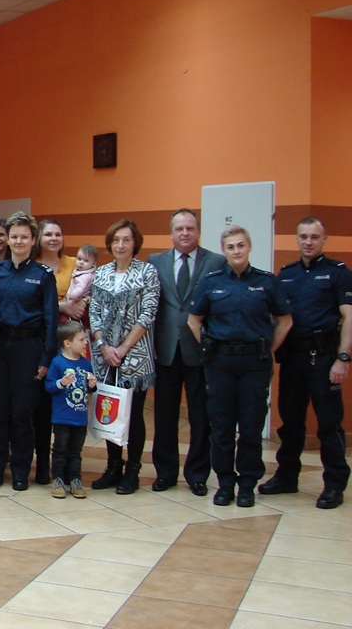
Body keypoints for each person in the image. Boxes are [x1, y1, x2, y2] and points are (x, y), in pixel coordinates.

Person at [189, 225, 292, 508]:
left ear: (249, 247)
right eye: (230, 246)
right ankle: (225, 483)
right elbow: (194, 320)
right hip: (220, 362)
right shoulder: (212, 282)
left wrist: (268, 349)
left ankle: (247, 484)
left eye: (240, 245)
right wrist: (208, 346)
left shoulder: (266, 282)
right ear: (223, 251)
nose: (236, 251)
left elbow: (285, 320)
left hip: (254, 363)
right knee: (221, 427)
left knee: (250, 426)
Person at [260, 217, 351, 509]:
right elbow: (276, 317)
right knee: (290, 421)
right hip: (292, 358)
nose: (308, 242)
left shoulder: (338, 273)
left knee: (328, 423)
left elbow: (349, 316)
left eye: (314, 237)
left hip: (323, 357)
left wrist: (343, 358)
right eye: (303, 236)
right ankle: (287, 477)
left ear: (324, 240)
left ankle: (334, 484)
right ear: (297, 239)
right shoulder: (286, 274)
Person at [148, 209, 225, 497]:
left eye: (190, 228)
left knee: (200, 417)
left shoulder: (216, 261)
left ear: (198, 231)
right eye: (179, 228)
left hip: (200, 350)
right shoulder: (156, 261)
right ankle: (165, 473)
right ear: (171, 233)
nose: (184, 233)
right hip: (165, 349)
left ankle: (197, 475)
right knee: (164, 415)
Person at [0, 211, 58, 491]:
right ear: (7, 240)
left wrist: (46, 357)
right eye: (14, 236)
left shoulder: (42, 275)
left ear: (33, 240)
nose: (19, 241)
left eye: (24, 237)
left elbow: (50, 319)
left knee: (22, 413)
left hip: (28, 348)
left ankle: (21, 470)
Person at [89, 220, 160, 495]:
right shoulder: (102, 273)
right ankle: (113, 467)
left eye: (126, 240)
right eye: (116, 240)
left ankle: (133, 470)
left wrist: (124, 348)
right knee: (110, 409)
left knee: (133, 415)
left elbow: (148, 313)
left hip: (134, 356)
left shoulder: (147, 272)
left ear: (135, 243)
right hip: (105, 356)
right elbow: (94, 310)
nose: (120, 245)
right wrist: (103, 346)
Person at [32, 219, 80, 484]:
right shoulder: (33, 266)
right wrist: (62, 306)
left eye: (58, 234)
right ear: (38, 238)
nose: (53, 238)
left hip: (69, 343)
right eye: (48, 234)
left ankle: (67, 464)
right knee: (42, 406)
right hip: (40, 341)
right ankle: (42, 463)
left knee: (68, 402)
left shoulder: (74, 264)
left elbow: (86, 294)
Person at [44, 320, 97, 499]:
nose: (85, 343)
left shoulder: (86, 364)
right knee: (60, 449)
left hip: (80, 417)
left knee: (76, 451)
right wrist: (61, 382)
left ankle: (75, 480)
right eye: (81, 339)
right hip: (62, 416)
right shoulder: (58, 363)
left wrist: (92, 385)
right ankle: (58, 479)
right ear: (67, 343)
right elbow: (49, 386)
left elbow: (87, 389)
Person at [65, 244, 97, 321]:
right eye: (79, 259)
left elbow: (81, 287)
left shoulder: (86, 276)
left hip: (79, 300)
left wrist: (74, 295)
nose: (81, 262)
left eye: (86, 261)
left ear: (93, 263)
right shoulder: (81, 271)